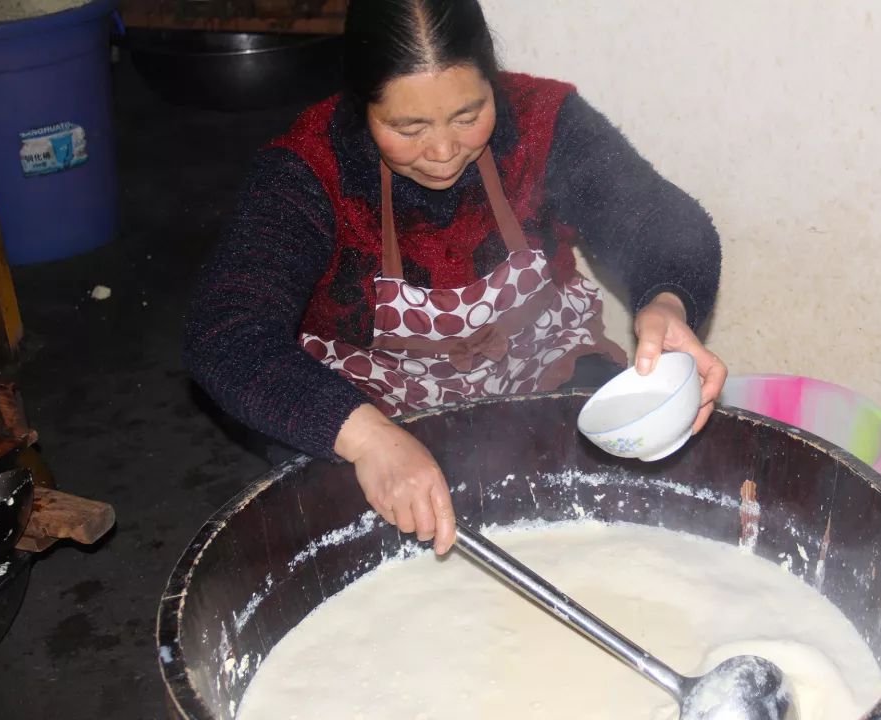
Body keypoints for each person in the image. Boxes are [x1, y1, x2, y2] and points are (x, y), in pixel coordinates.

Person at [184, 0, 726, 557]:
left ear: (493, 82)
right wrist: (367, 438)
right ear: (360, 105)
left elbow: (663, 222)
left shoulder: (543, 123)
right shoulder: (310, 169)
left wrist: (667, 301)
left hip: (538, 367)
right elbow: (224, 334)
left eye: (468, 117)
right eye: (407, 126)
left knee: (620, 531)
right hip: (366, 407)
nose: (443, 152)